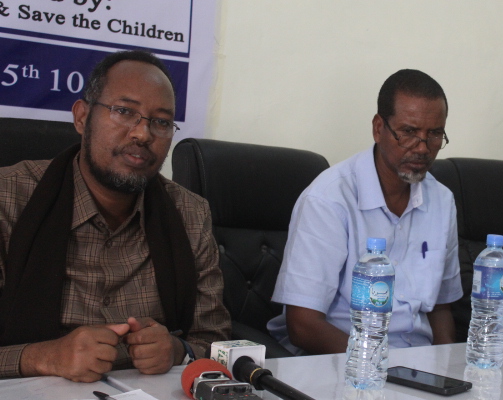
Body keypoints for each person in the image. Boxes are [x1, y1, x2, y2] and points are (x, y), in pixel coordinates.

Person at [0, 50, 231, 381]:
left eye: (161, 122)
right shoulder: (8, 198)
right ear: (82, 118)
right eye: (124, 111)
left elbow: (216, 341)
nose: (142, 134)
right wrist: (44, 357)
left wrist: (178, 350)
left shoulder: (190, 214)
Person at [268, 69, 463, 355]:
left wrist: (449, 366)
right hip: (340, 359)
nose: (423, 148)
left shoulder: (442, 201)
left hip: (418, 363)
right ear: (378, 128)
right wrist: (379, 365)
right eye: (409, 132)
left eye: (434, 134)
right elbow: (303, 326)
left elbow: (441, 307)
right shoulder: (328, 199)